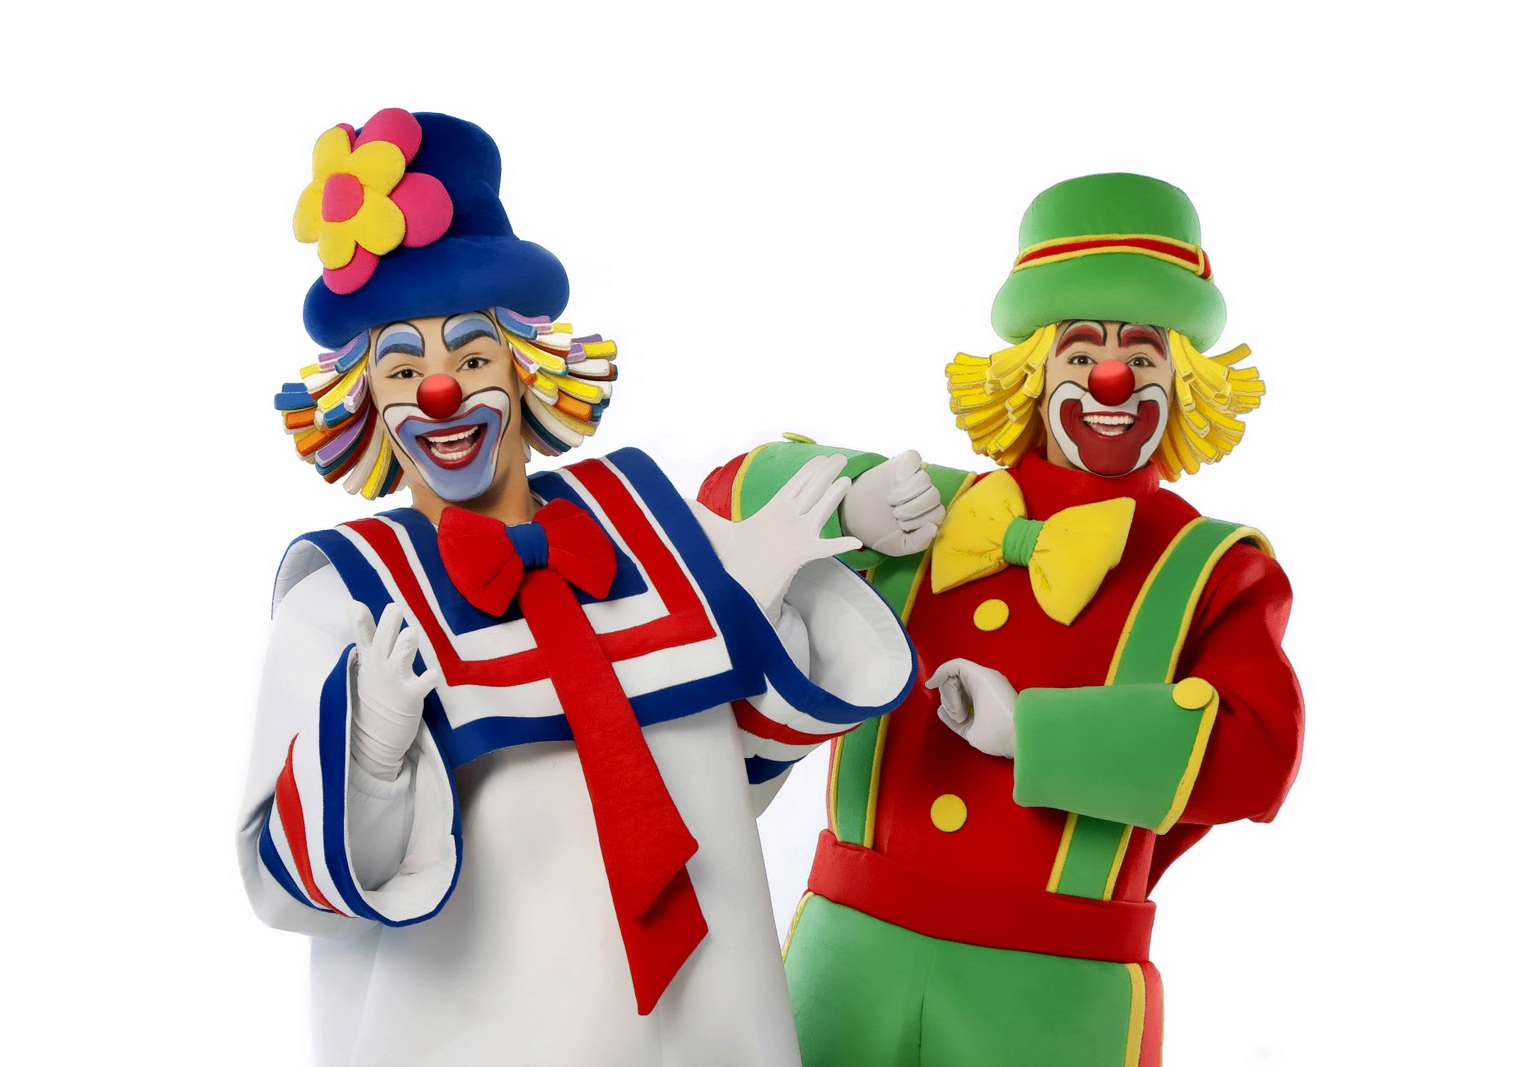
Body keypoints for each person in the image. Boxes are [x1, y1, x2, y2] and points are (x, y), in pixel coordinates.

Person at [237, 108, 915, 1066]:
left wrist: (755, 614)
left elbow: (734, 785)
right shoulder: (339, 601)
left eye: (472, 358)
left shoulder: (652, 529)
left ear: (526, 371)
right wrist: (372, 751)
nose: (441, 392)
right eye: (403, 368)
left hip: (707, 1029)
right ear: (368, 403)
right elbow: (293, 890)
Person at [700, 173, 1304, 1066]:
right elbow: (721, 500)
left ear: (1186, 383)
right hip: (845, 960)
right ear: (1032, 373)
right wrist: (847, 506)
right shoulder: (926, 502)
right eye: (1080, 352)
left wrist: (1035, 731)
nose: (1111, 378)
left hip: (1055, 995)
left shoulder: (1213, 563)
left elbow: (1260, 752)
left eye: (1143, 356)